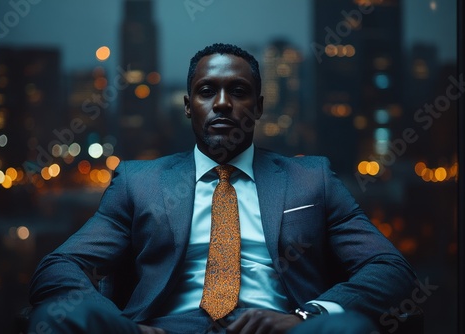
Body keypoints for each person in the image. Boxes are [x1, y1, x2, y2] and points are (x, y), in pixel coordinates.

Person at [28, 43, 419, 334]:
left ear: (260, 106)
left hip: (283, 329)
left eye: (238, 91)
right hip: (161, 330)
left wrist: (303, 317)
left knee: (346, 328)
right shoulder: (139, 181)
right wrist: (119, 324)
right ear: (187, 106)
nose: (222, 104)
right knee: (58, 316)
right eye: (206, 91)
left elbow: (390, 269)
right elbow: (58, 267)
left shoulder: (311, 178)